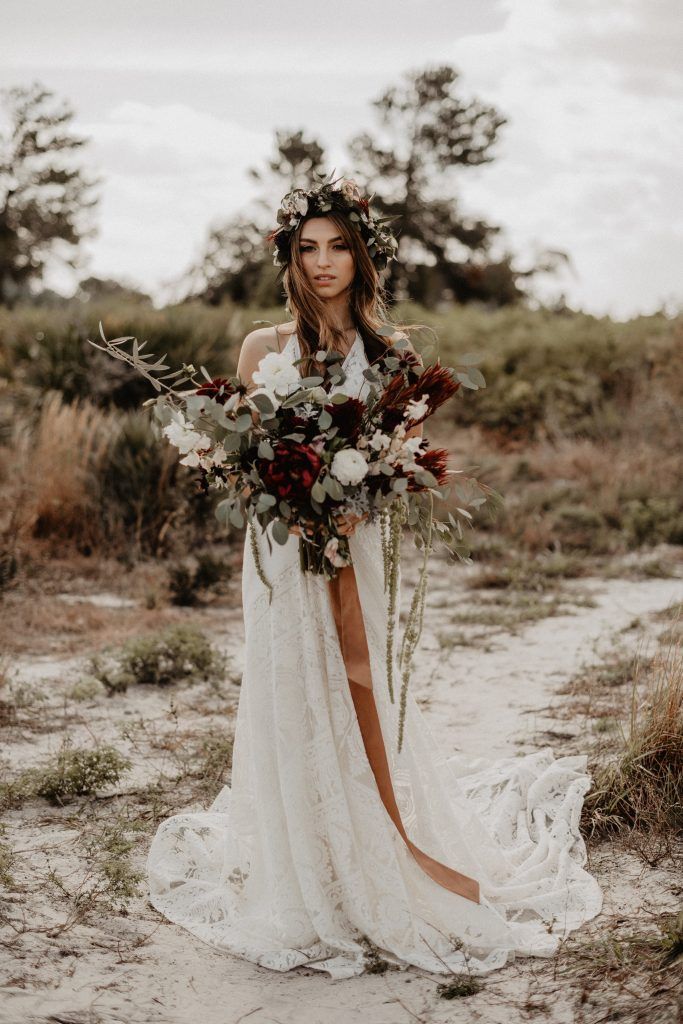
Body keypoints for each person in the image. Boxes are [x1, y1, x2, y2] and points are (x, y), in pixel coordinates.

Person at [145, 175, 603, 980]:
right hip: (284, 557)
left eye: (337, 247)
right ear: (289, 258)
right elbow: (248, 463)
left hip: (355, 547)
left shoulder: (394, 356)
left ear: (362, 256)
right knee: (291, 687)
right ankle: (307, 866)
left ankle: (378, 848)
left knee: (357, 690)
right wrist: (279, 487)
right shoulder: (261, 350)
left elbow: (400, 462)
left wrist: (362, 496)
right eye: (306, 248)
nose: (322, 263)